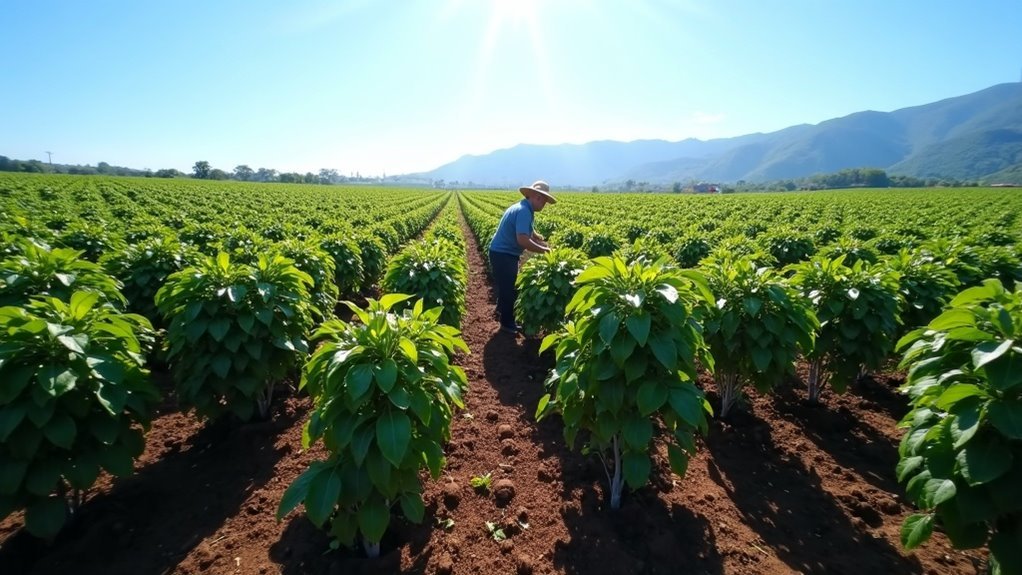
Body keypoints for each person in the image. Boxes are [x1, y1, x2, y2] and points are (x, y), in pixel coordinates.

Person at [488, 180, 555, 335]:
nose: (544, 205)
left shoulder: (523, 207)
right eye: (544, 201)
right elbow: (522, 240)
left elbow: (527, 231)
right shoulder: (525, 211)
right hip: (504, 254)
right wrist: (545, 250)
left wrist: (537, 237)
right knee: (509, 289)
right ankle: (507, 323)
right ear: (537, 197)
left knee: (507, 285)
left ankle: (501, 311)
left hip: (500, 252)